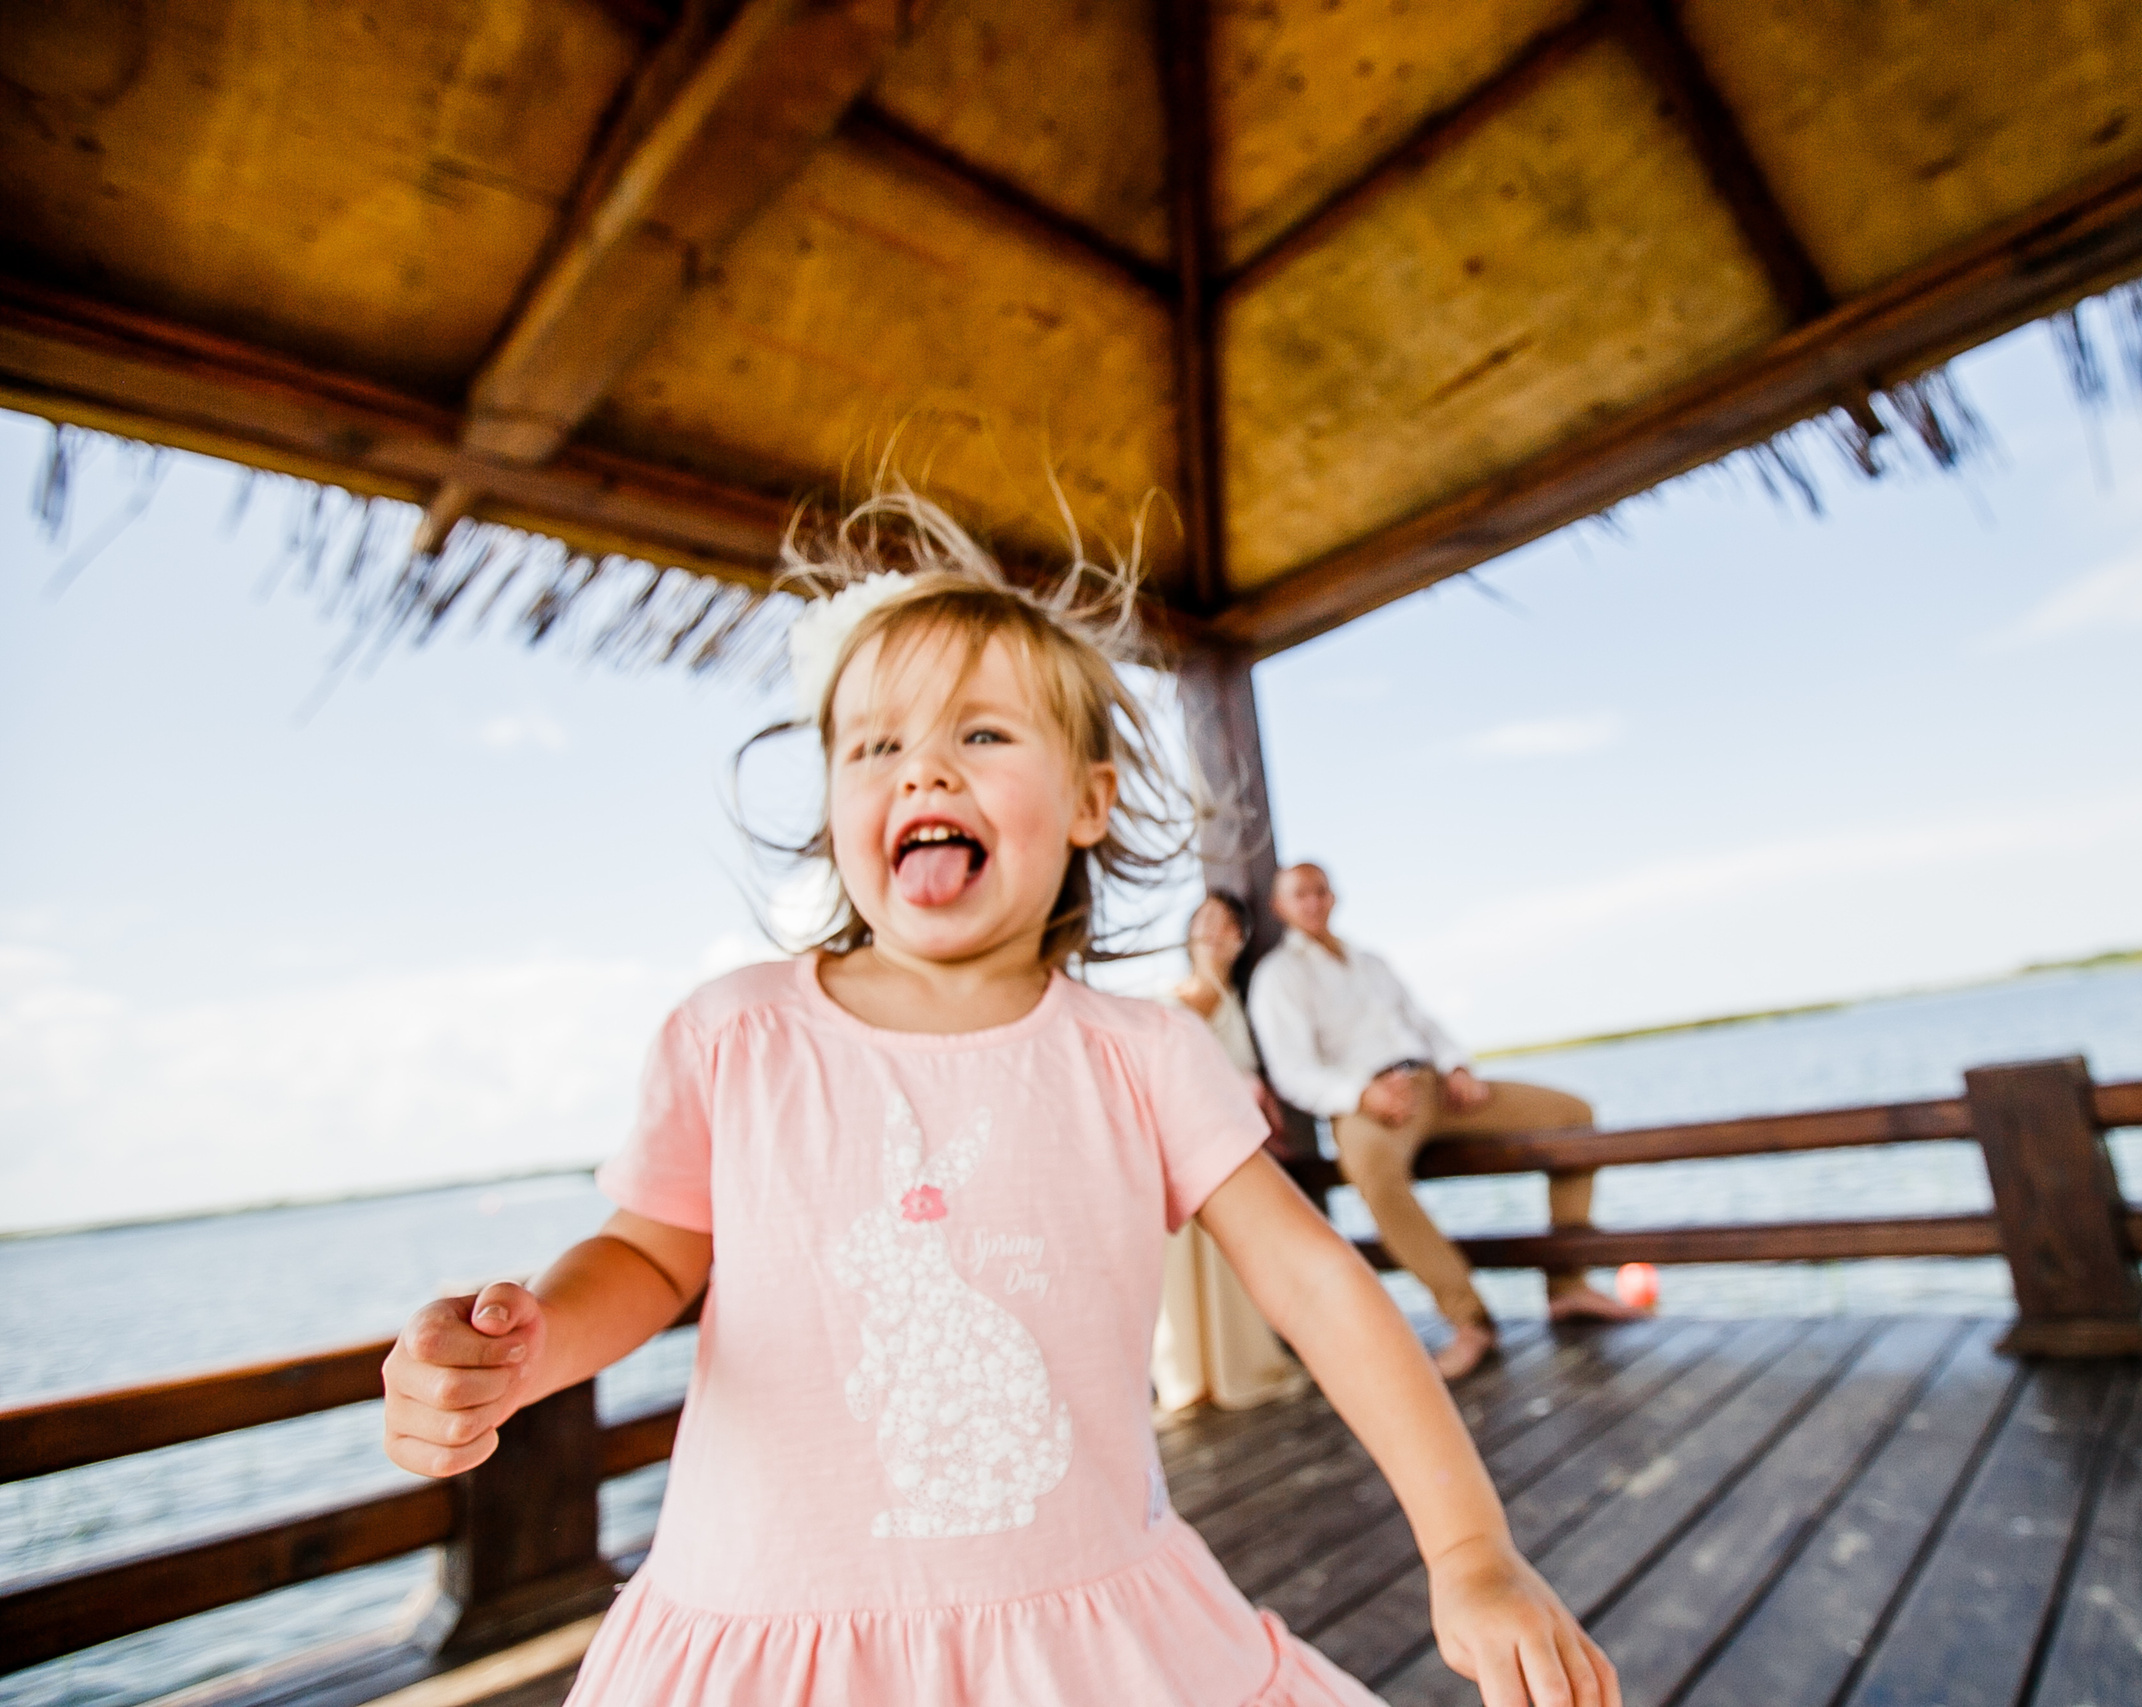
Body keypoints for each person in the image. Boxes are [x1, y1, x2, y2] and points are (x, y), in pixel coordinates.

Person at [379, 494, 1619, 1707]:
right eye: (873, 747)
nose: (922, 767)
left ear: (1087, 802)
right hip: (761, 1637)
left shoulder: (1142, 1054)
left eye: (980, 735)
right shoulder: (736, 1033)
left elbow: (1312, 1282)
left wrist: (1470, 1555)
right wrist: (532, 1343)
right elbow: (649, 1258)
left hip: (1094, 1641)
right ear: (835, 810)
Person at [1249, 863, 1642, 1383]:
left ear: (1334, 896)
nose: (1313, 902)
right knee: (1373, 1174)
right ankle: (1469, 1319)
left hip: (1436, 1085)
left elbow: (1423, 1023)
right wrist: (1361, 1094)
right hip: (1368, 1100)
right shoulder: (1278, 977)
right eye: (1300, 895)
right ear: (1281, 907)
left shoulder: (1371, 962)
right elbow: (1293, 1072)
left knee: (1573, 1114)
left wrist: (1456, 1065)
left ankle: (1568, 1286)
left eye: (1321, 891)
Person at [1153, 890, 1302, 1412]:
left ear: (1240, 940)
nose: (1216, 934)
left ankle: (1237, 1360)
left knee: (1233, 1253)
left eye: (1228, 926)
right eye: (1205, 923)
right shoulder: (1165, 1003)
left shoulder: (1246, 1006)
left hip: (1229, 1152)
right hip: (1172, 1150)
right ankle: (1187, 1373)